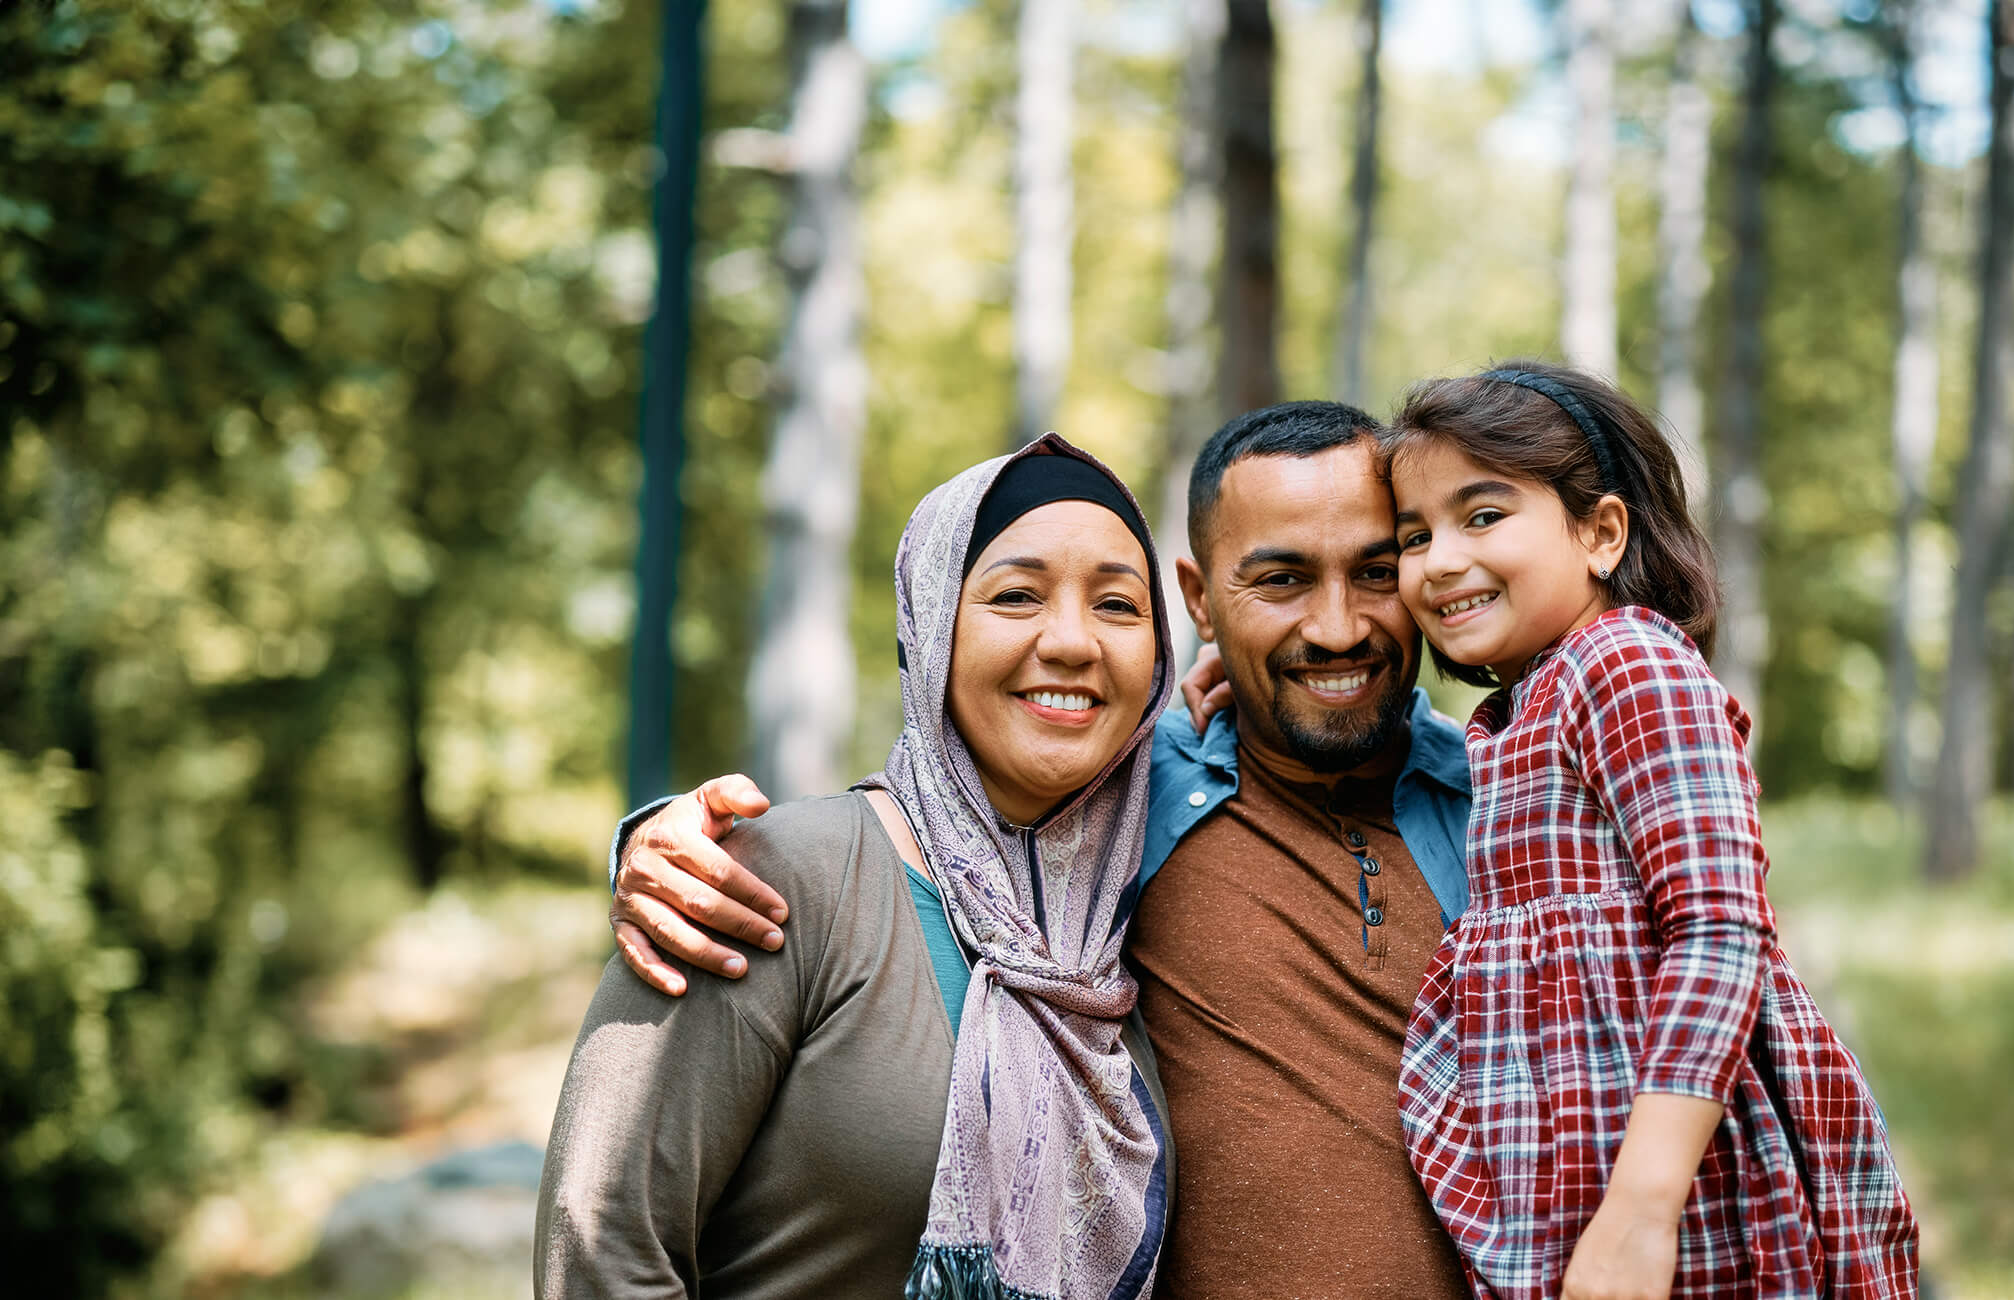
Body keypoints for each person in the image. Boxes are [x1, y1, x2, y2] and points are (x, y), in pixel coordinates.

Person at [607, 402, 1480, 1298]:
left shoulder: (1512, 807)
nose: (1336, 627)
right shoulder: (1136, 806)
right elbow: (959, 810)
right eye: (1281, 580)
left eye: (1376, 571)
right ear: (1201, 601)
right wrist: (659, 840)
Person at [535, 435, 1177, 1300]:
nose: (1070, 641)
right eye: (1017, 595)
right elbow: (605, 1243)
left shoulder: (1133, 918)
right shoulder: (766, 882)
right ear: (931, 620)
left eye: (1117, 605)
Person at [1384, 362, 1919, 1299]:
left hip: (1677, 1186)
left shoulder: (1625, 662)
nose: (1438, 561)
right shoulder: (1523, 708)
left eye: (1482, 516)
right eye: (1413, 535)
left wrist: (1641, 1207)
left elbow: (1720, 931)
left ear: (1600, 531)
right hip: (1576, 1181)